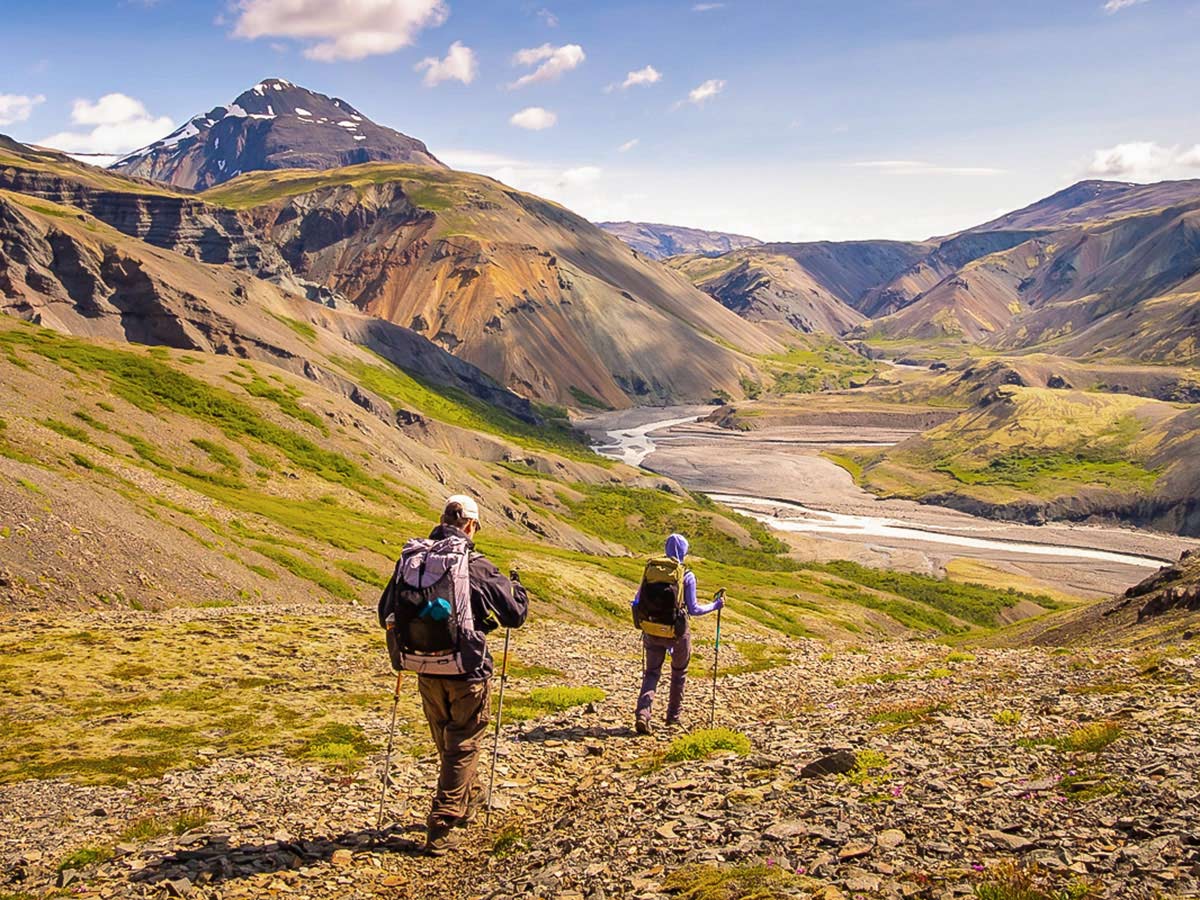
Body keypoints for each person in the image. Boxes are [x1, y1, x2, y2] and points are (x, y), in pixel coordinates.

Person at [414, 495, 527, 856]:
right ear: (470, 526)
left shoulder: (414, 560)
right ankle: (443, 823)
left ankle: (469, 793)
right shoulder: (474, 564)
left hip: (424, 668)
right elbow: (514, 614)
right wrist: (518, 589)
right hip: (467, 671)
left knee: (449, 742)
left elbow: (386, 610)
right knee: (463, 740)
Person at [631, 533, 723, 734]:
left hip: (652, 630)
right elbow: (695, 609)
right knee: (679, 673)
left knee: (652, 673)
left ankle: (643, 714)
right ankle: (673, 718)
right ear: (684, 551)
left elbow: (637, 600)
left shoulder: (651, 570)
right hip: (677, 633)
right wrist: (716, 605)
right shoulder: (686, 575)